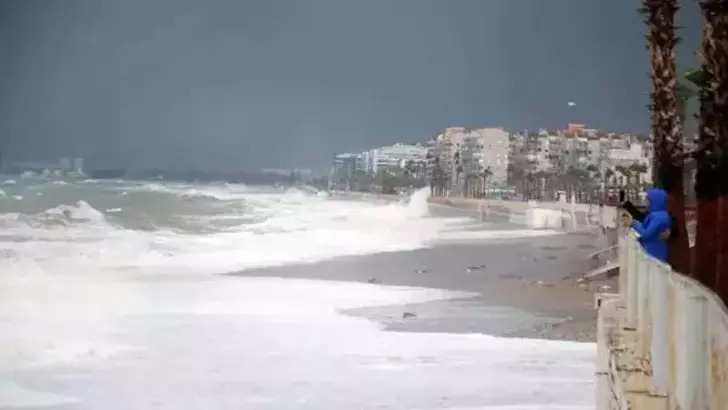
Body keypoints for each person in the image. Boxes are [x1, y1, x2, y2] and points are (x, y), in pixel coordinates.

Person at [627, 188, 672, 262]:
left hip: (655, 252)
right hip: (652, 250)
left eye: (648, 200)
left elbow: (647, 234)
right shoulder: (655, 214)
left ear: (655, 200)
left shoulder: (658, 217)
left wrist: (634, 224)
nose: (646, 202)